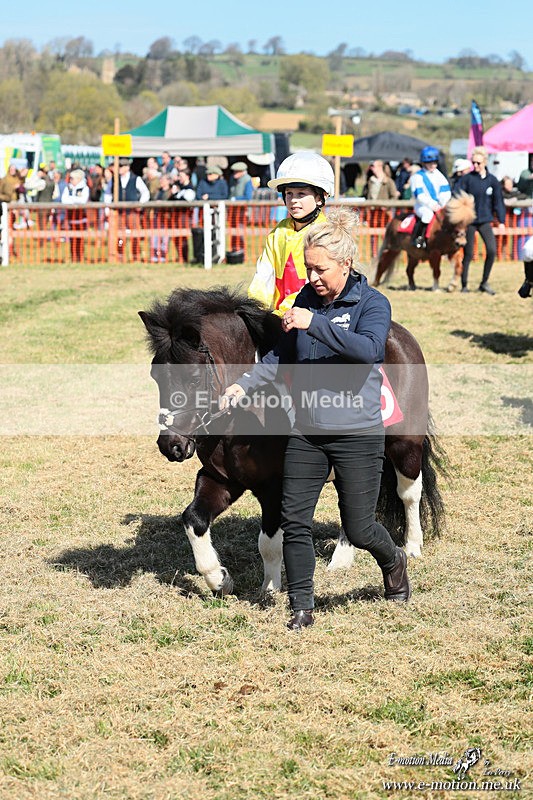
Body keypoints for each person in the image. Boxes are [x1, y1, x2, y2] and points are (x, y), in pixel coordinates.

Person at [222, 208, 410, 629]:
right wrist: (246, 382)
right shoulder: (306, 299)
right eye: (308, 268)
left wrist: (316, 324)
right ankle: (302, 608)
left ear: (346, 264)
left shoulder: (372, 303)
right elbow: (281, 355)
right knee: (295, 520)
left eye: (320, 269)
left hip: (357, 431)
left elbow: (367, 352)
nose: (312, 278)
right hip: (307, 430)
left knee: (359, 529)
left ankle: (393, 560)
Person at [247, 151, 334, 316]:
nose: (293, 200)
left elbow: (314, 282)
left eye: (301, 194)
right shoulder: (278, 232)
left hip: (315, 314)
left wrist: (285, 311)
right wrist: (255, 310)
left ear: (320, 197)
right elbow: (263, 275)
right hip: (279, 316)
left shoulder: (326, 234)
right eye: (289, 193)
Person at [454, 146, 506, 295]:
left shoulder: (492, 181)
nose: (475, 165)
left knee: (491, 250)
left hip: (485, 220)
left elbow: (498, 202)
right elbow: (457, 194)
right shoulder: (467, 179)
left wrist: (501, 221)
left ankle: (484, 282)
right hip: (469, 221)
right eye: (473, 162)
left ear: (485, 162)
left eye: (478, 163)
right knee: (468, 253)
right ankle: (464, 285)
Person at [409, 146, 451, 248]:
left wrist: (442, 203)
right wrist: (431, 204)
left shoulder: (439, 175)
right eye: (430, 163)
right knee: (427, 215)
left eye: (435, 162)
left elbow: (445, 191)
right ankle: (418, 238)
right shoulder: (417, 176)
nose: (433, 165)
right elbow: (419, 195)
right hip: (422, 205)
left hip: (438, 205)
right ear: (423, 163)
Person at [61, 168, 89, 262]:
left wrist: (71, 199)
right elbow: (64, 200)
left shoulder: (84, 188)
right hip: (70, 218)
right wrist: (74, 199)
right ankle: (73, 258)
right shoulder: (68, 188)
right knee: (72, 239)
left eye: (73, 178)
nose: (71, 180)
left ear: (79, 179)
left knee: (80, 239)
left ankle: (80, 258)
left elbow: (83, 201)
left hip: (81, 219)